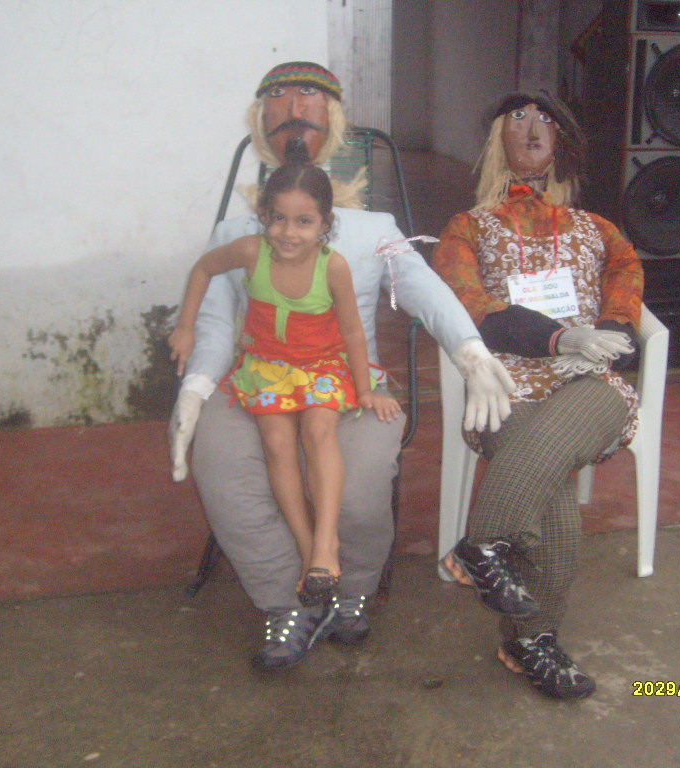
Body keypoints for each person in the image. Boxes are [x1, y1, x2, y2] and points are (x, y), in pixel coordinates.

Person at [169, 61, 515, 670]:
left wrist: (470, 350)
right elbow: (218, 321)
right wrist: (195, 387)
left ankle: (348, 589)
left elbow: (421, 287)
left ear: (333, 121)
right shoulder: (239, 234)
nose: (293, 111)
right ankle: (288, 599)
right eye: (278, 100)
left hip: (347, 381)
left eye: (308, 97)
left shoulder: (372, 228)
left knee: (358, 486)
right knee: (221, 466)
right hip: (258, 377)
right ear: (259, 122)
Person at [432, 90, 643, 700]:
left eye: (546, 120)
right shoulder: (467, 228)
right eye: (519, 118)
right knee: (553, 501)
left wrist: (613, 328)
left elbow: (627, 272)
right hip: (504, 382)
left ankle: (480, 545)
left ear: (562, 145)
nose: (533, 128)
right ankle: (530, 641)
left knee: (582, 416)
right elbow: (466, 301)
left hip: (588, 380)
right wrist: (555, 336)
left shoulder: (595, 227)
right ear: (497, 138)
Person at [170, 159, 402, 606]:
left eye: (304, 222)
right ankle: (306, 545)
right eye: (278, 218)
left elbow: (353, 332)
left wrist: (365, 389)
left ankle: (326, 541)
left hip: (322, 366)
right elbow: (202, 269)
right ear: (264, 216)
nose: (288, 233)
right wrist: (185, 326)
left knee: (318, 431)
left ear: (325, 224)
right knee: (277, 444)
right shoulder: (249, 251)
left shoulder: (333, 267)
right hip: (266, 367)